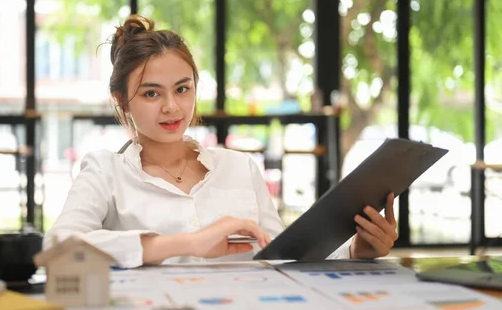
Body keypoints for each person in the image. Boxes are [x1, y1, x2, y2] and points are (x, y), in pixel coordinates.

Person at [44, 15, 398, 268]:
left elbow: (284, 254)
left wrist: (358, 250)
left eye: (182, 89)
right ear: (123, 101)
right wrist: (187, 244)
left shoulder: (239, 167)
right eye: (151, 93)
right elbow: (58, 247)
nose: (172, 107)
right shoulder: (105, 171)